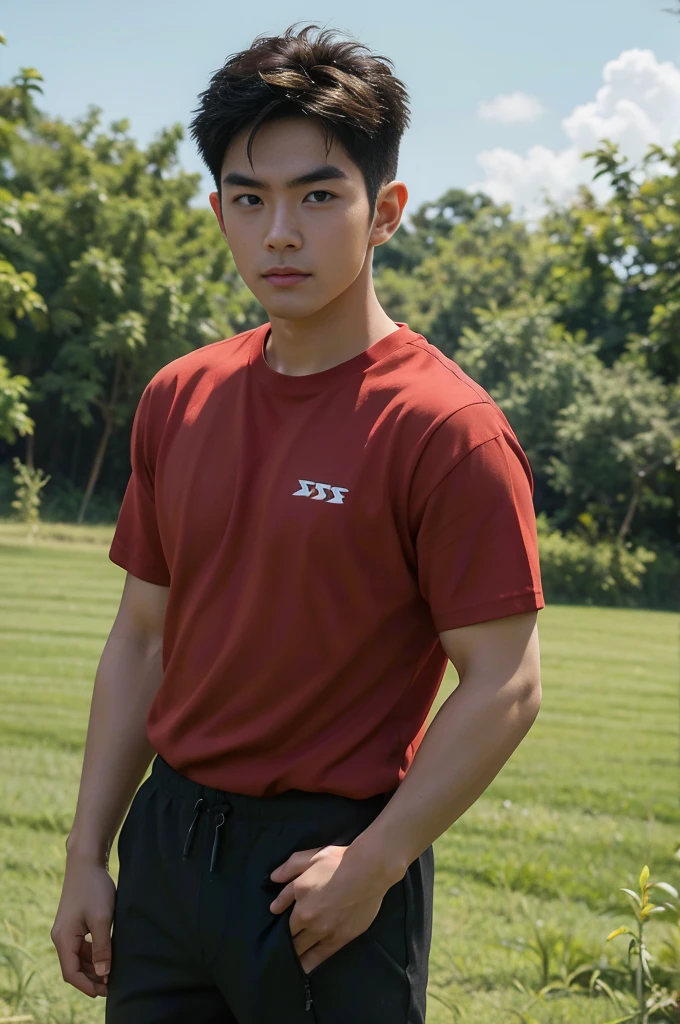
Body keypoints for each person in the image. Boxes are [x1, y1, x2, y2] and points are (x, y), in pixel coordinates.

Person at [50, 22, 545, 1024]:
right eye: (250, 198)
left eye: (318, 195)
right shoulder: (178, 397)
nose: (280, 231)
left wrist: (376, 861)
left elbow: (504, 682)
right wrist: (85, 857)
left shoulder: (446, 429)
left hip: (327, 874)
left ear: (384, 212)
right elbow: (140, 638)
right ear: (220, 211)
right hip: (166, 850)